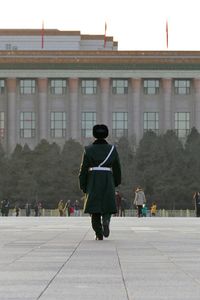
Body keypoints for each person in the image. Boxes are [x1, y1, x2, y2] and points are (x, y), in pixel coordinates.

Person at [79, 124, 121, 240]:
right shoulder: (112, 149)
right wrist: (116, 182)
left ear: (94, 135)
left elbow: (83, 170)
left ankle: (98, 233)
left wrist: (83, 185)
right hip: (108, 177)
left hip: (93, 179)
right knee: (107, 204)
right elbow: (117, 168)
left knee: (94, 208)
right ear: (106, 134)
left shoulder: (88, 150)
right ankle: (106, 220)